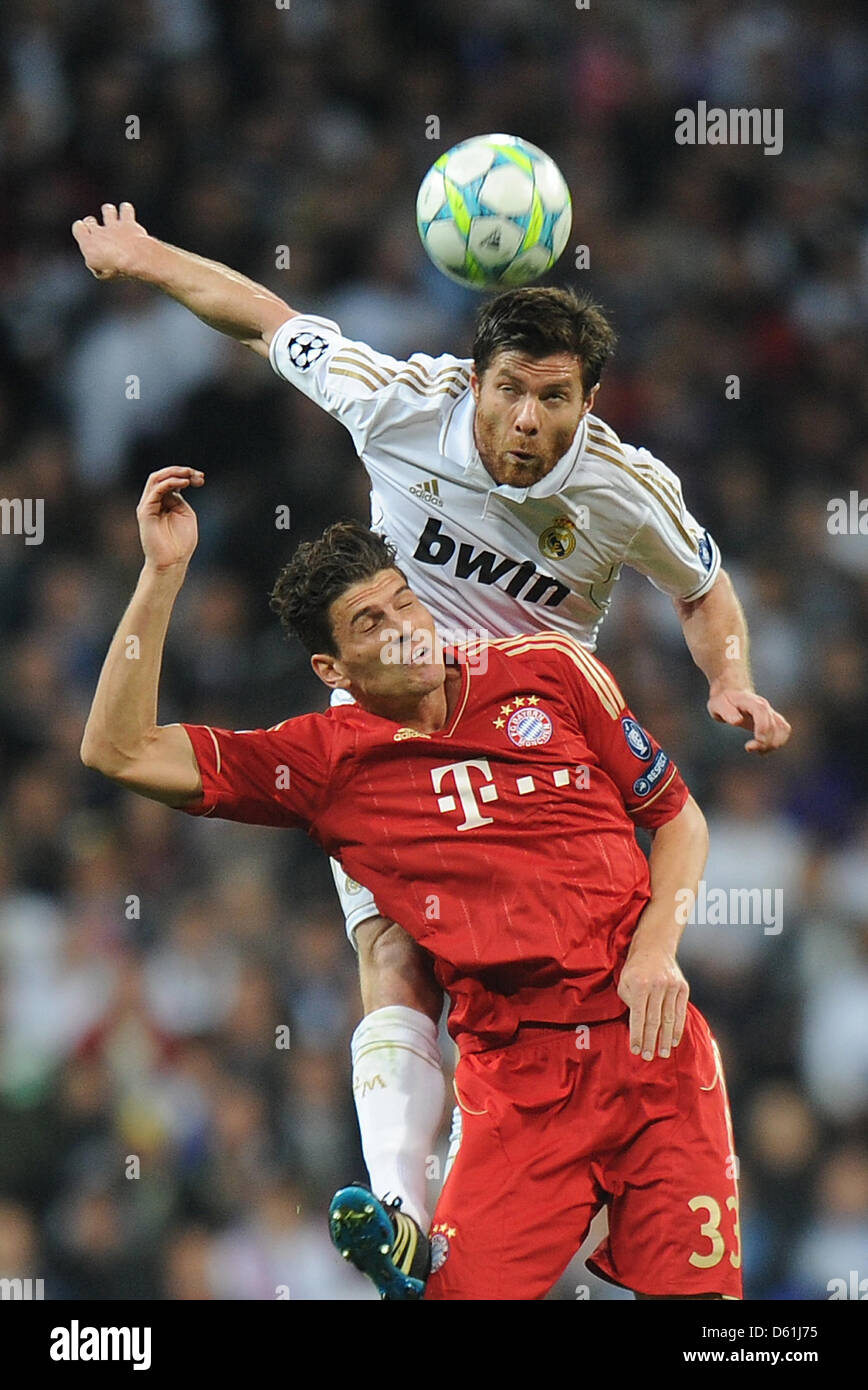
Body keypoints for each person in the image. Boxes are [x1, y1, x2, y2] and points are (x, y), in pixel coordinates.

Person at [72, 203, 786, 1282]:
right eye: (509, 390)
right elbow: (266, 320)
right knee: (390, 953)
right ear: (475, 379)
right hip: (399, 755)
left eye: (555, 399)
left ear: (589, 407)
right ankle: (407, 1216)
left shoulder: (624, 491)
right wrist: (145, 258)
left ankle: (558, 1204)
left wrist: (727, 675)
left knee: (581, 973)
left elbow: (704, 590)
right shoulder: (398, 404)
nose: (527, 420)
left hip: (543, 741)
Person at [80, 473, 742, 1301]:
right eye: (371, 623)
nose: (405, 631)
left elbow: (680, 821)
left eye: (404, 603)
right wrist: (161, 575)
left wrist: (656, 953)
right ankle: (401, 1213)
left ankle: (403, 1210)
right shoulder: (325, 763)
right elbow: (119, 751)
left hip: (652, 1050)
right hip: (517, 1083)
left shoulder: (550, 671)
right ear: (334, 666)